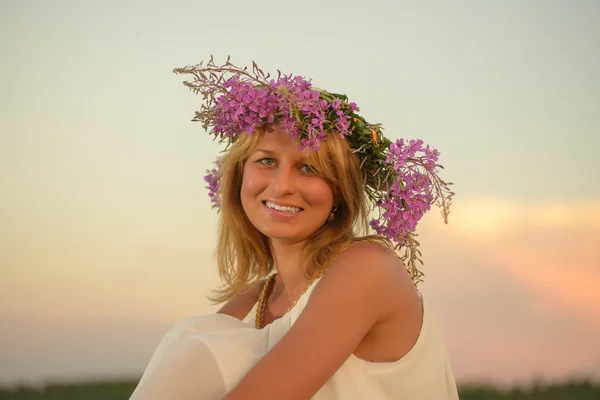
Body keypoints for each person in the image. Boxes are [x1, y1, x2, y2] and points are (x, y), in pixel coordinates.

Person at [130, 58, 458, 400]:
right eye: (267, 161)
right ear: (240, 176)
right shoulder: (249, 304)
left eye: (308, 168)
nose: (282, 186)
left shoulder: (367, 268)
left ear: (339, 191)